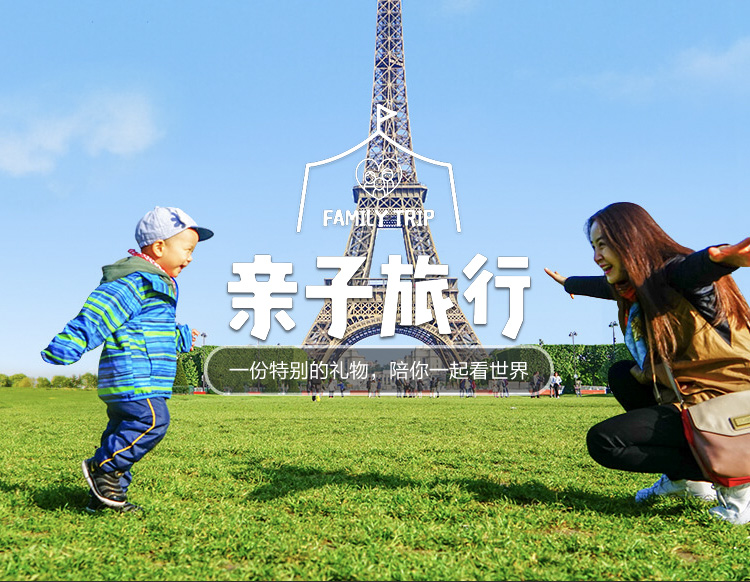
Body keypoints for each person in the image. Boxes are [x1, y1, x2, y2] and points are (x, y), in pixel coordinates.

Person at [545, 202, 750, 525]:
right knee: (623, 375)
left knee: (605, 442)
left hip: (730, 404)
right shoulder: (636, 287)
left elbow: (694, 269)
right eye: (593, 246)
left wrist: (722, 258)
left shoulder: (674, 275)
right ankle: (688, 482)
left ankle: (739, 479)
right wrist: (568, 283)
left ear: (631, 240)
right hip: (694, 399)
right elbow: (602, 287)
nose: (596, 256)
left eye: (604, 244)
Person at [41, 206, 213, 513]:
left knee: (121, 433)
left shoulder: (157, 284)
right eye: (187, 250)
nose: (190, 258)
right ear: (159, 247)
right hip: (133, 376)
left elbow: (152, 331)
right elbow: (99, 313)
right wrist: (69, 343)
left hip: (139, 377)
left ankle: (107, 498)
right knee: (152, 421)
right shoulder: (135, 282)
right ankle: (103, 468)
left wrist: (181, 336)